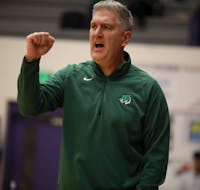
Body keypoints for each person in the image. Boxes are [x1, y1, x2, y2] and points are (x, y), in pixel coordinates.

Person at [17, 0, 170, 189]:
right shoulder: (71, 76)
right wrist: (31, 60)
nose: (97, 33)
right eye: (93, 26)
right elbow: (29, 107)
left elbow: (157, 158)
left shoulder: (148, 89)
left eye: (106, 27)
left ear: (125, 38)